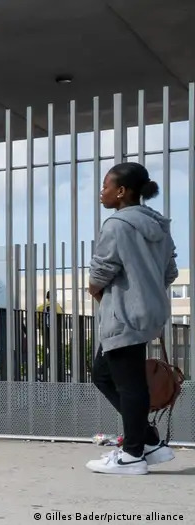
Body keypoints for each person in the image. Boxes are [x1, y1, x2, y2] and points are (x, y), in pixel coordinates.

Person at [85, 162, 178, 475]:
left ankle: (132, 455)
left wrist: (96, 291)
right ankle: (149, 442)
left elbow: (100, 272)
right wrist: (145, 292)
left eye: (106, 186)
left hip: (123, 314)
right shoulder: (159, 226)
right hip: (148, 312)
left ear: (122, 191)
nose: (102, 192)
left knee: (130, 385)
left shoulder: (117, 225)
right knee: (103, 375)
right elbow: (170, 271)